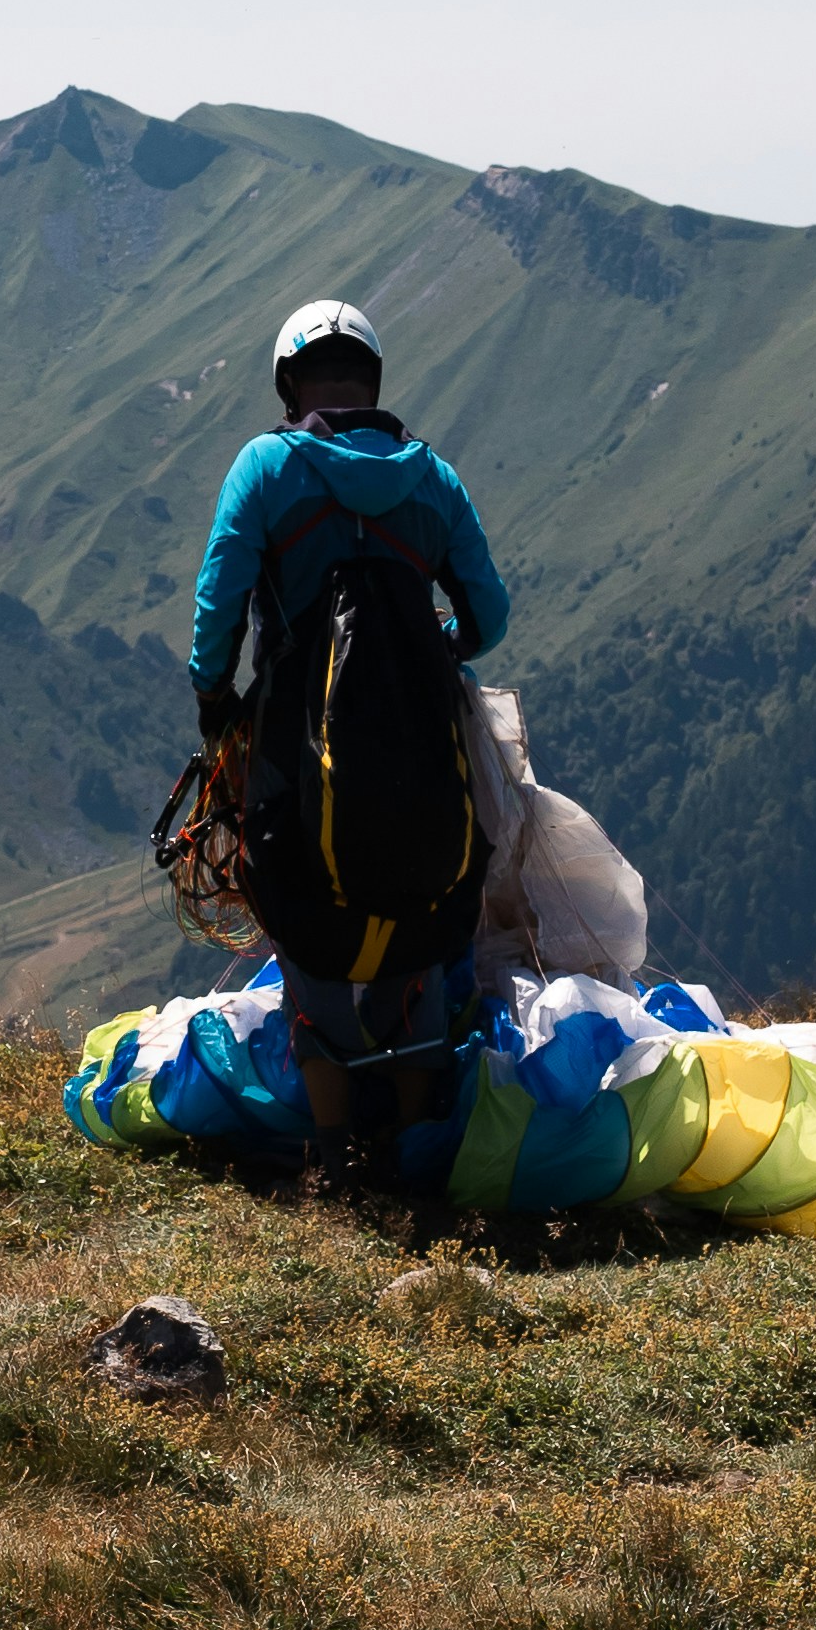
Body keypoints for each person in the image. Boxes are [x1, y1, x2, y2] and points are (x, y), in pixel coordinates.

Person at [188, 298, 510, 1165]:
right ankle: (412, 1136)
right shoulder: (431, 477)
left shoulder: (266, 465)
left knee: (308, 916)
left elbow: (217, 609)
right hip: (423, 745)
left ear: (291, 384)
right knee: (419, 905)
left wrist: (214, 698)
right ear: (372, 381)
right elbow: (489, 613)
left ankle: (334, 1148)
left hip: (297, 744)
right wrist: (436, 647)